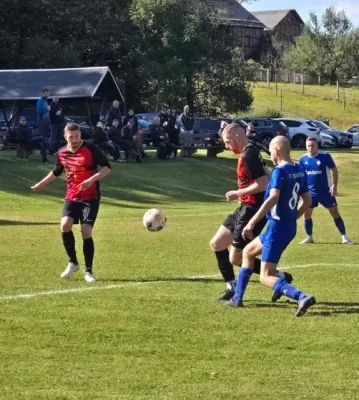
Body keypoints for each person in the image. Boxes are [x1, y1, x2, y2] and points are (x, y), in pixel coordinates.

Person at [227, 136, 316, 317]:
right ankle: (237, 298)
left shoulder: (279, 171)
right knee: (248, 252)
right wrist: (292, 217)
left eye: (271, 151)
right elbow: (308, 200)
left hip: (276, 228)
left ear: (276, 150)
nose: (270, 155)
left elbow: (273, 197)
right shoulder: (299, 168)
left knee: (265, 276)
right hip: (286, 226)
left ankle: (301, 296)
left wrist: (252, 222)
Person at [210, 123, 293, 301]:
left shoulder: (249, 155)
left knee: (237, 257)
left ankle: (279, 277)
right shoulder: (248, 152)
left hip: (252, 210)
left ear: (238, 138)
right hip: (244, 207)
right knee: (217, 243)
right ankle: (231, 286)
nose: (226, 146)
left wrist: (237, 193)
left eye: (228, 141)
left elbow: (262, 183)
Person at [30, 122, 112, 283]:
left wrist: (91, 179)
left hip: (90, 197)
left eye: (76, 136)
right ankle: (73, 262)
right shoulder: (62, 153)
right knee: (65, 225)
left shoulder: (90, 149)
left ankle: (88, 271)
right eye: (70, 137)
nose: (74, 140)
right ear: (65, 137)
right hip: (72, 196)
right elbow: (57, 171)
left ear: (80, 135)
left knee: (86, 231)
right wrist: (41, 184)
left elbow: (107, 168)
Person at [299, 137, 353, 245]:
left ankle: (344, 237)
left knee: (335, 213)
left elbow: (334, 170)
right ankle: (309, 237)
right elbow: (301, 176)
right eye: (308, 145)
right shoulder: (303, 159)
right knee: (307, 215)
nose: (311, 148)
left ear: (317, 146)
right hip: (310, 193)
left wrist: (334, 186)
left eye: (313, 145)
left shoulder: (325, 156)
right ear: (306, 146)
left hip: (325, 192)